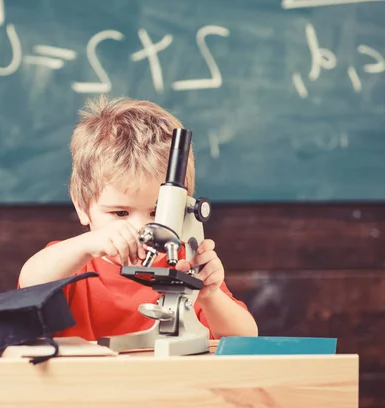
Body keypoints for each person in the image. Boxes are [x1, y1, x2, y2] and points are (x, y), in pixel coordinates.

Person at [18, 95, 258, 340]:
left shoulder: (186, 265)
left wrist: (210, 296)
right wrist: (88, 246)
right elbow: (30, 282)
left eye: (156, 213)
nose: (141, 228)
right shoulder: (72, 262)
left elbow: (245, 337)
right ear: (81, 206)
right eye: (120, 213)